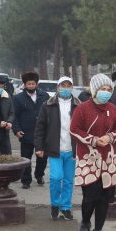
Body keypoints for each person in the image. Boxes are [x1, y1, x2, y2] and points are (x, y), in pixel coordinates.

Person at [70, 73, 116, 231]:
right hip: (89, 158)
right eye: (102, 89)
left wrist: (110, 137)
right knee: (90, 196)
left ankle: (98, 230)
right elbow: (74, 129)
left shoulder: (113, 108)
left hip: (108, 158)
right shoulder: (83, 108)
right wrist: (93, 139)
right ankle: (85, 222)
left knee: (105, 197)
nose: (106, 92)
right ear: (94, 90)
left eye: (109, 89)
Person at [34, 76, 80, 220]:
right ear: (58, 88)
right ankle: (55, 204)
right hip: (55, 149)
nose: (66, 88)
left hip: (72, 150)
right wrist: (39, 147)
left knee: (68, 180)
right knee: (55, 177)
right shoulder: (48, 105)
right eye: (63, 85)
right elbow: (40, 127)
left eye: (69, 86)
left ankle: (66, 207)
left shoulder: (79, 105)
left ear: (72, 88)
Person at [13, 71, 50, 189]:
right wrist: (17, 130)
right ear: (24, 85)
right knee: (26, 158)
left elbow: (49, 113)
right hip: (26, 132)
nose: (31, 86)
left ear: (37, 84)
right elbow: (15, 115)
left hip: (42, 132)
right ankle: (26, 180)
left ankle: (39, 175)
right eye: (29, 84)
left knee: (42, 158)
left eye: (33, 84)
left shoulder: (44, 96)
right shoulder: (18, 98)